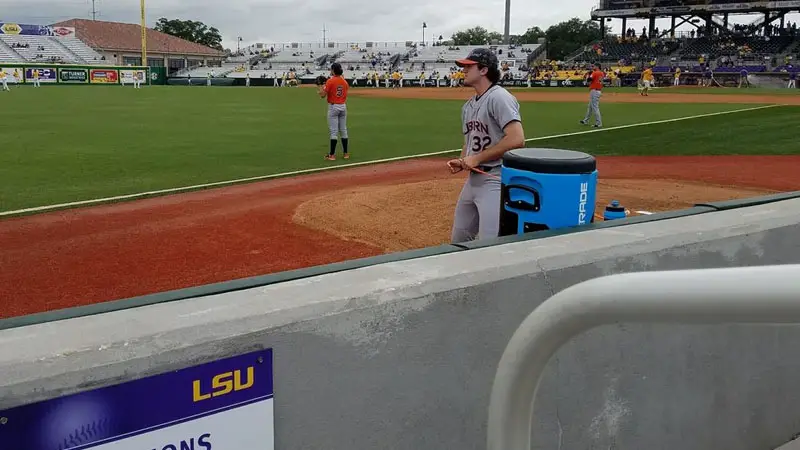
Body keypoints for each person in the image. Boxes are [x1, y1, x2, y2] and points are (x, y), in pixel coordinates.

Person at [447, 48, 525, 243]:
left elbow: (517, 139)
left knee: (490, 243)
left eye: (468, 66)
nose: (463, 70)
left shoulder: (499, 97)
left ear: (483, 70)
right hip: (474, 180)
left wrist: (477, 158)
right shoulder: (468, 106)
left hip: (495, 179)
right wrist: (463, 159)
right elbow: (470, 140)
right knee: (459, 239)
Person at [319, 62, 350, 161]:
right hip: (343, 106)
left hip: (333, 106)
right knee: (343, 130)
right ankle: (346, 154)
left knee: (334, 132)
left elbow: (322, 95)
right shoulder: (344, 82)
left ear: (333, 70)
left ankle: (332, 155)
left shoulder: (330, 81)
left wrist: (321, 86)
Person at [580, 62, 604, 128]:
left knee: (595, 107)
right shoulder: (601, 73)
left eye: (594, 66)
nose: (593, 67)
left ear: (597, 66)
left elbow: (589, 80)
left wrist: (587, 75)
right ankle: (585, 120)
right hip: (598, 90)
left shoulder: (595, 72)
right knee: (590, 107)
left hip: (594, 91)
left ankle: (599, 123)